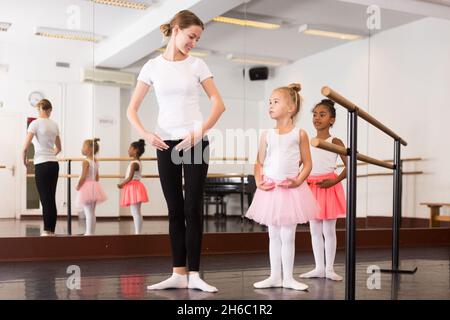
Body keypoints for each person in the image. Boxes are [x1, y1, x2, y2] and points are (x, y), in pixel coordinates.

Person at [127, 10, 225, 292]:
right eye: (191, 36)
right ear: (175, 30)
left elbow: (218, 103)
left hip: (194, 141)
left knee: (193, 208)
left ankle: (194, 274)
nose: (193, 42)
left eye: (197, 38)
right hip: (165, 143)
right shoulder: (151, 67)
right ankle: (178, 273)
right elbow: (131, 109)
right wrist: (146, 134)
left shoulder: (197, 65)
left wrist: (199, 132)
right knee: (174, 210)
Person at [245, 83, 319, 291]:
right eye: (269, 102)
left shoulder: (300, 134)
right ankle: (274, 276)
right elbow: (258, 162)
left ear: (291, 108)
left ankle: (288, 277)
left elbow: (308, 164)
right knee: (273, 235)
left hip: (290, 191)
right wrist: (258, 180)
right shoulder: (266, 135)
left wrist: (298, 180)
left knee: (288, 235)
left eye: (275, 102)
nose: (270, 105)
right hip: (270, 190)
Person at [300, 99, 347, 281]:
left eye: (322, 114)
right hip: (311, 187)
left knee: (329, 230)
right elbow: (302, 163)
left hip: (328, 186)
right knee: (314, 230)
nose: (317, 118)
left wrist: (332, 182)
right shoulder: (308, 141)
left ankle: (329, 269)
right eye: (314, 114)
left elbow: (349, 167)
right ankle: (319, 267)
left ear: (332, 120)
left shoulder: (334, 141)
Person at [22, 99, 61, 236]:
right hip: (53, 164)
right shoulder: (54, 124)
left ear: (39, 109)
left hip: (42, 164)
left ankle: (47, 231)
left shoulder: (35, 123)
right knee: (51, 197)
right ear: (49, 110)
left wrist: (24, 160)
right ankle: (50, 230)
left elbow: (25, 146)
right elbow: (59, 148)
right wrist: (50, 155)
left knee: (45, 199)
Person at [75, 138, 107, 236]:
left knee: (88, 211)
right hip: (94, 186)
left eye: (83, 146)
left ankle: (89, 233)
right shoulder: (95, 161)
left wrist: (78, 185)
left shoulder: (86, 161)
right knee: (92, 212)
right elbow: (97, 177)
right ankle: (91, 232)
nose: (82, 148)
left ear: (89, 149)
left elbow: (83, 176)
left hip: (86, 187)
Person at [118, 139, 149, 235]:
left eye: (130, 148)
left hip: (133, 187)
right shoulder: (136, 162)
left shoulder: (134, 163)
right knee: (136, 211)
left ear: (135, 150)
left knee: (135, 212)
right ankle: (137, 231)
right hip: (134, 187)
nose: (128, 150)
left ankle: (137, 232)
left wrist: (122, 184)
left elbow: (130, 177)